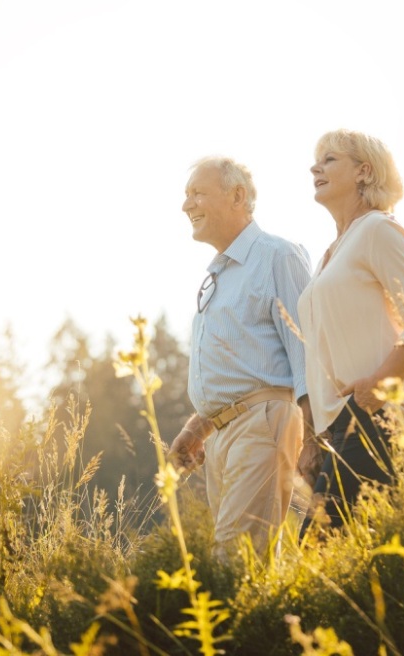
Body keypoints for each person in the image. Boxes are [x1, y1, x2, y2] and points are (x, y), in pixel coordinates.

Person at [296, 129, 404, 538]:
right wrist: (314, 435)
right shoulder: (332, 253)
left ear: (364, 171)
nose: (315, 167)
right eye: (316, 160)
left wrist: (378, 386)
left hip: (378, 416)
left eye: (329, 159)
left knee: (316, 550)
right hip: (339, 427)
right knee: (358, 557)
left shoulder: (379, 230)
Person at [168, 155, 314, 559]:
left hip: (262, 424)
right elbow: (244, 362)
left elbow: (305, 353)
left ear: (237, 196)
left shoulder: (277, 256)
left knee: (233, 559)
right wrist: (199, 427)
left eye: (197, 193)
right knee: (247, 562)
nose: (186, 205)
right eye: (186, 195)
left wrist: (315, 438)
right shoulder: (220, 273)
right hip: (221, 434)